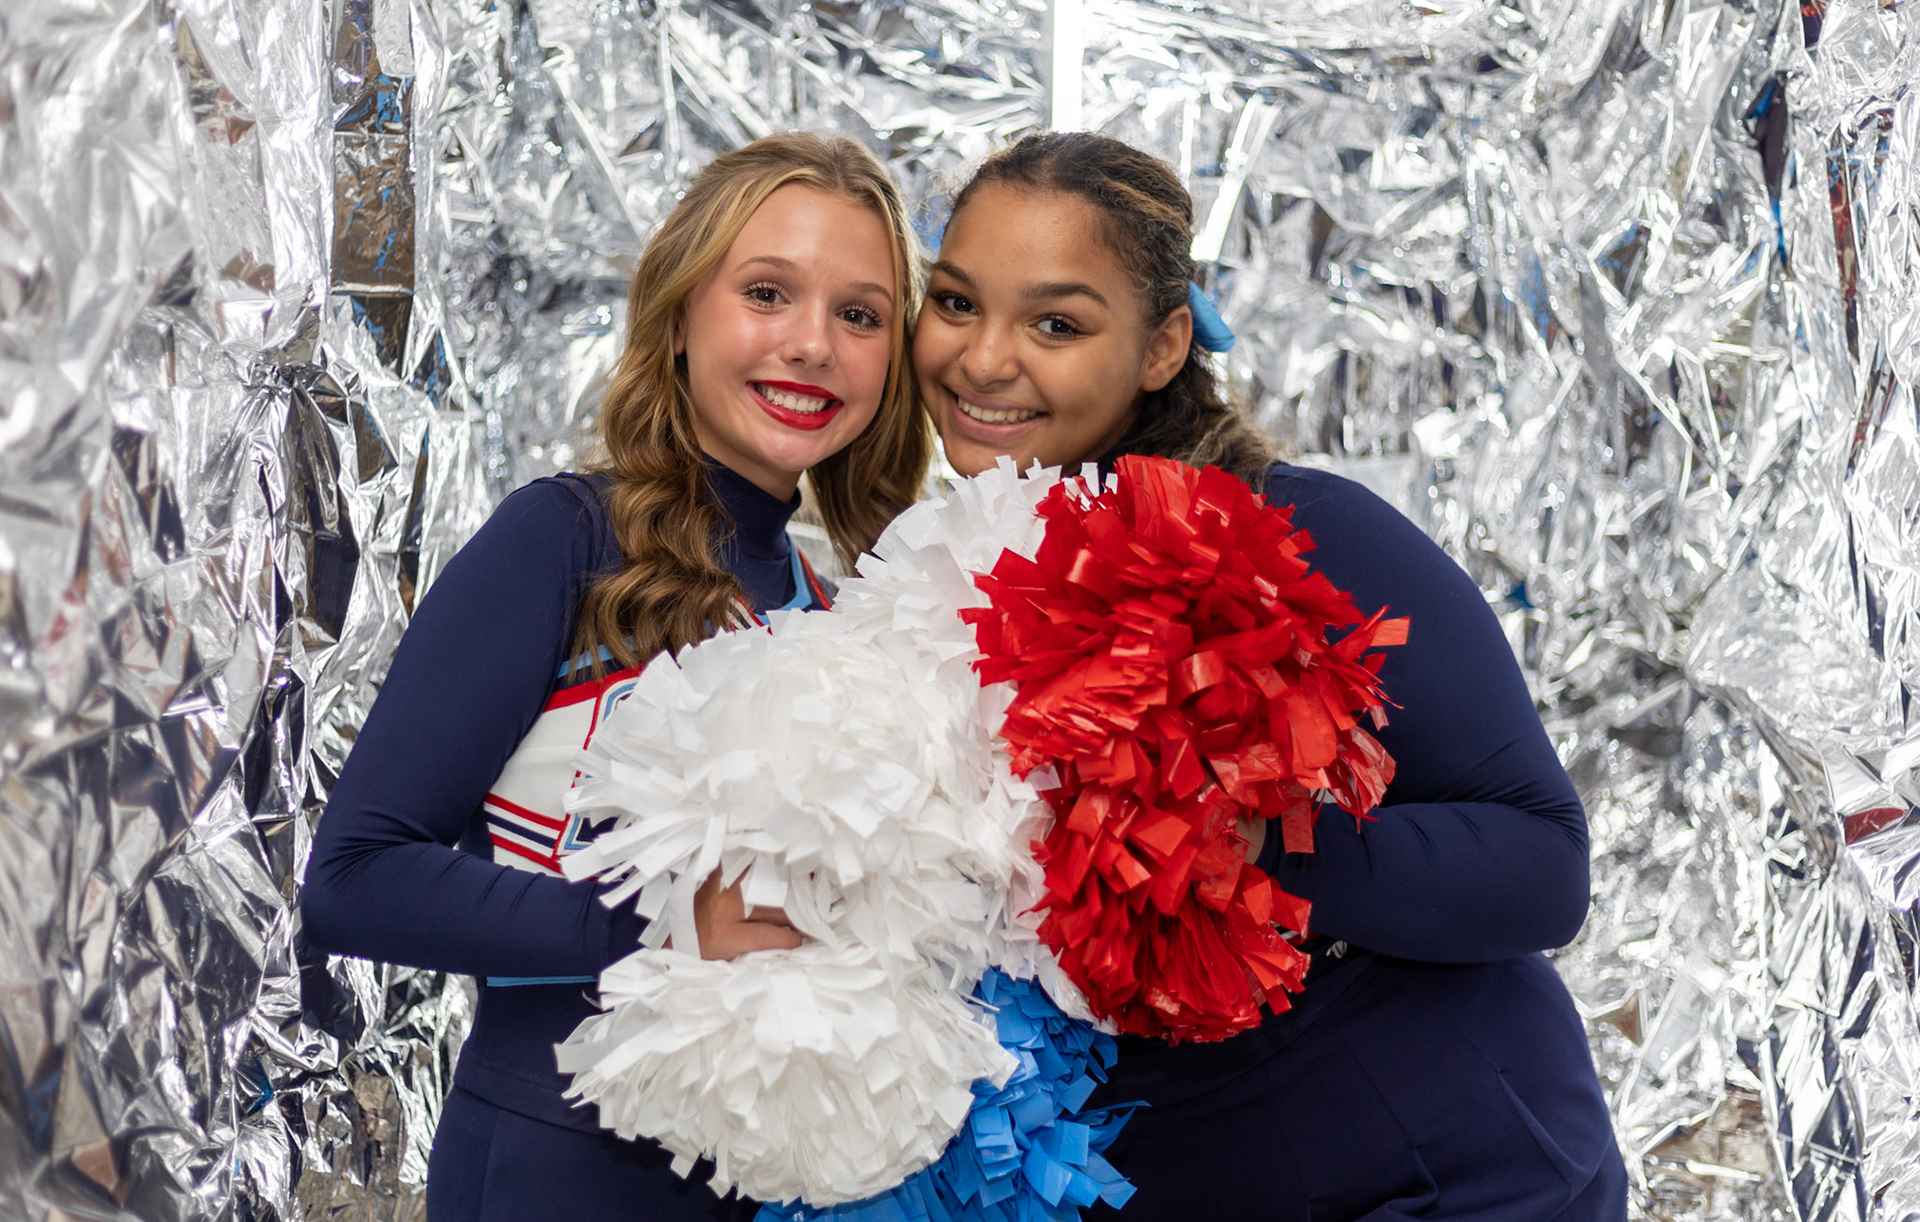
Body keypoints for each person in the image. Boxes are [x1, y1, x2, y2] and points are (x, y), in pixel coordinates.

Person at [911, 130, 1628, 1220]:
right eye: (957, 303)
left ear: (1163, 346)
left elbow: (1544, 865)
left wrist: (1260, 844)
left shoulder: (1300, 533)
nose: (984, 359)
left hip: (1448, 1177)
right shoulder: (926, 592)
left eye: (1057, 323)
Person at [301, 133, 932, 1222]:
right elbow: (354, 878)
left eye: (861, 315)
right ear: (680, 313)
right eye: (767, 292)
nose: (812, 344)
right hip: (557, 1173)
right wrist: (653, 925)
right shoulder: (561, 539)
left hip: (770, 1192)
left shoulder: (835, 609)